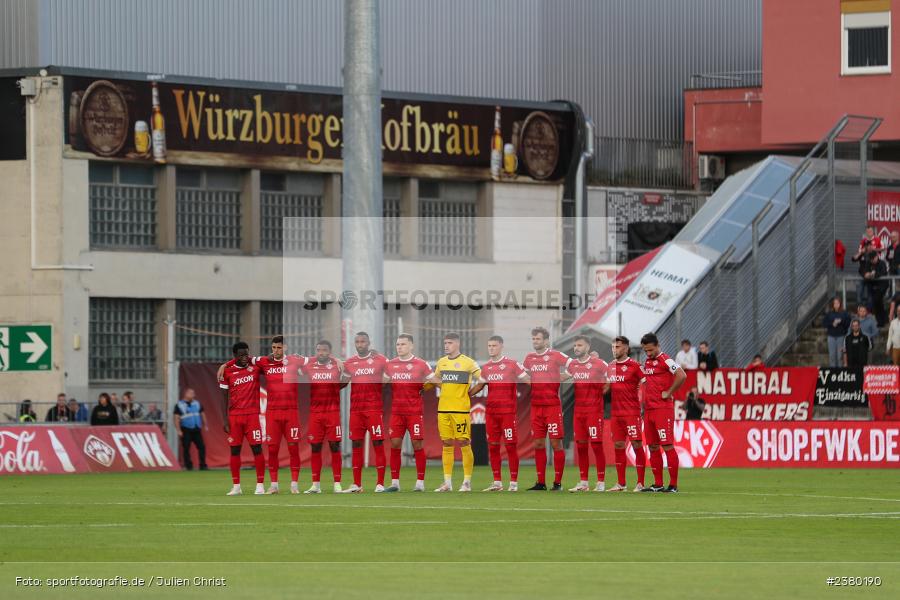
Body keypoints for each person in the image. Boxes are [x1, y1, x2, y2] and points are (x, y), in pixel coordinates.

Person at [469, 335, 530, 492]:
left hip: (507, 413)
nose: (491, 348)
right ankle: (497, 482)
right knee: (493, 446)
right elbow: (479, 386)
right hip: (491, 413)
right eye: (489, 346)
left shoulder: (512, 364)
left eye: (494, 345)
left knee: (510, 446)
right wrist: (464, 394)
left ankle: (513, 483)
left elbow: (528, 380)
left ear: (501, 346)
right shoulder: (486, 368)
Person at [522, 326, 572, 491]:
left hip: (552, 407)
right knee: (538, 443)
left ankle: (557, 483)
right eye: (533, 339)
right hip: (536, 407)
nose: (535, 341)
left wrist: (562, 377)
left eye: (538, 339)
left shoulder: (555, 355)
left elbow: (573, 365)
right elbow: (523, 375)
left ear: (546, 340)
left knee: (556, 443)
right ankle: (541, 482)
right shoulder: (529, 358)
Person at [431, 332, 481, 493]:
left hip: (460, 410)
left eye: (450, 343)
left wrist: (470, 393)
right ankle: (447, 483)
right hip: (443, 409)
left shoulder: (468, 362)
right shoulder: (441, 362)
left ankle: (467, 482)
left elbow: (483, 379)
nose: (446, 346)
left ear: (458, 344)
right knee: (446, 443)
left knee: (464, 442)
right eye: (445, 343)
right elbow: (435, 379)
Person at [383, 333, 433, 493]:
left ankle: (420, 483)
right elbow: (381, 383)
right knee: (395, 444)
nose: (399, 347)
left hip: (414, 412)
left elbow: (435, 381)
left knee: (417, 444)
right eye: (398, 344)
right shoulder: (390, 364)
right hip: (397, 412)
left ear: (411, 346)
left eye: (403, 344)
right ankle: (395, 483)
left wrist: (429, 385)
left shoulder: (421, 364)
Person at [341, 331, 389, 493]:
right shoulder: (350, 362)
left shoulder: (379, 359)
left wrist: (384, 382)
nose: (360, 344)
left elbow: (391, 371)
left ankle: (380, 484)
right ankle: (357, 484)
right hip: (356, 410)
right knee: (356, 444)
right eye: (357, 342)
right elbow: (342, 383)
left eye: (363, 342)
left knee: (378, 443)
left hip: (374, 409)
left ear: (368, 343)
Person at [639, 333, 686, 493]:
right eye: (646, 350)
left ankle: (673, 485)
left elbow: (682, 375)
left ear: (658, 345)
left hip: (662, 409)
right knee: (653, 446)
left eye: (650, 350)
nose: (648, 353)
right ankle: (658, 483)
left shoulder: (666, 360)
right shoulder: (647, 362)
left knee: (667, 445)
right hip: (649, 410)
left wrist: (669, 392)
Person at [218, 341, 266, 496]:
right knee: (235, 450)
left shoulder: (255, 367)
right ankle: (236, 486)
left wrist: (225, 363)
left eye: (247, 354)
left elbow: (269, 361)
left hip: (252, 416)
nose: (245, 357)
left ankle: (260, 485)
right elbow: (223, 398)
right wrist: (225, 420)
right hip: (235, 417)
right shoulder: (227, 372)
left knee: (257, 449)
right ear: (235, 356)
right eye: (241, 355)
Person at [300, 340, 345, 494]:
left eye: (324, 350)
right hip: (315, 414)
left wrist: (338, 361)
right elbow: (294, 364)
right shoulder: (309, 365)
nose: (321, 353)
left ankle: (337, 484)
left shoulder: (337, 365)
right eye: (319, 350)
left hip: (332, 413)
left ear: (330, 352)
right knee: (315, 447)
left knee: (334, 446)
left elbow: (349, 373)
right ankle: (316, 485)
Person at [565, 335, 608, 493]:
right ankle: (583, 482)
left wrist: (604, 390)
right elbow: (564, 376)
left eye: (580, 345)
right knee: (581, 446)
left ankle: (601, 482)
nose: (576, 348)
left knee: (596, 445)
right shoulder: (573, 365)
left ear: (588, 347)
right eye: (575, 345)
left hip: (594, 411)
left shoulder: (599, 363)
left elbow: (612, 376)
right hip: (579, 412)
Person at [604, 336, 647, 492]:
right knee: (618, 445)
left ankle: (640, 483)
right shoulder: (610, 366)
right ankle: (621, 483)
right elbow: (607, 388)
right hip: (616, 414)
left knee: (636, 444)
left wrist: (644, 405)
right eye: (613, 347)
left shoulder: (635, 366)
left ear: (626, 348)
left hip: (631, 412)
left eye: (618, 347)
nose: (614, 350)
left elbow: (647, 385)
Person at [174, 387, 208, 471]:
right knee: (186, 448)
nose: (193, 395)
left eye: (193, 393)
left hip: (196, 428)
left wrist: (205, 425)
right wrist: (178, 430)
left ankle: (203, 465)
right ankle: (188, 466)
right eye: (191, 393)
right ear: (186, 394)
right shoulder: (179, 405)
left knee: (201, 447)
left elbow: (202, 414)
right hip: (186, 429)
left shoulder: (197, 403)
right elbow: (176, 418)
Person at [862, 250, 889, 326]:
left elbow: (883, 273)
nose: (872, 261)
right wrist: (866, 274)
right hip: (872, 286)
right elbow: (865, 272)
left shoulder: (882, 263)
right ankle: (882, 321)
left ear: (876, 257)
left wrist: (872, 275)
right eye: (871, 259)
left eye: (873, 259)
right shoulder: (868, 263)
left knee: (877, 301)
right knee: (877, 303)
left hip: (881, 286)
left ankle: (882, 321)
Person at [824, 297, 851, 367]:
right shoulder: (829, 313)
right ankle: (833, 371)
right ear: (832, 304)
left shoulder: (844, 313)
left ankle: (839, 371)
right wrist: (832, 324)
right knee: (832, 356)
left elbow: (848, 323)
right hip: (831, 336)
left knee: (840, 356)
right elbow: (824, 323)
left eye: (837, 303)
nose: (836, 305)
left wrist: (841, 321)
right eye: (835, 303)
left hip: (841, 336)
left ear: (840, 304)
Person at [852, 240, 874, 306]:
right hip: (861, 275)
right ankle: (859, 307)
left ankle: (869, 308)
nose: (868, 247)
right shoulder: (862, 254)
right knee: (859, 292)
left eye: (870, 245)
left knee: (869, 294)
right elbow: (853, 259)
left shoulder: (873, 253)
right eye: (867, 246)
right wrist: (860, 252)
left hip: (869, 276)